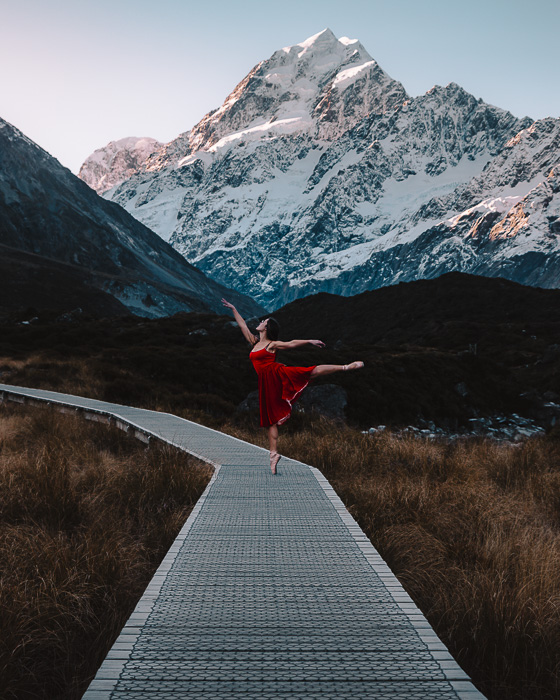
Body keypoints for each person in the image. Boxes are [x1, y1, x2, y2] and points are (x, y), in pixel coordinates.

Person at [221, 298, 364, 474]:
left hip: (277, 374)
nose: (260, 322)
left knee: (310, 372)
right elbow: (242, 325)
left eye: (263, 322)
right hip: (266, 383)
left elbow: (291, 343)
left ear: (267, 328)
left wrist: (309, 341)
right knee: (270, 421)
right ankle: (273, 456)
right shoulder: (254, 341)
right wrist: (234, 308)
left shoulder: (272, 344)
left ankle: (345, 367)